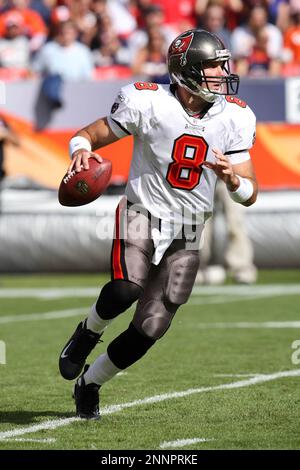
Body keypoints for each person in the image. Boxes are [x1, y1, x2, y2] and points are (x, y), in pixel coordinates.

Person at [59, 29, 258, 420]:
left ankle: (91, 383)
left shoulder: (236, 114)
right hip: (143, 210)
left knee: (151, 327)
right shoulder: (147, 101)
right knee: (125, 288)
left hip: (189, 227)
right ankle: (88, 331)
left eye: (223, 65)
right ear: (186, 71)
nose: (222, 72)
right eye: (213, 66)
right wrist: (80, 153)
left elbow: (250, 194)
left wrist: (233, 179)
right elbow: (88, 135)